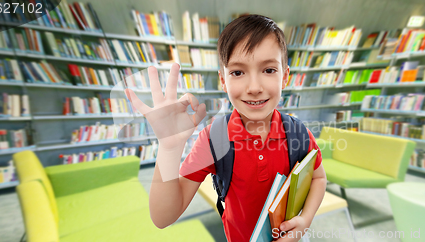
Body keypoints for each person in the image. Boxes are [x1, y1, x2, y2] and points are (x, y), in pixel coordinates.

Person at [125, 14, 327, 242]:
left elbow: (319, 178)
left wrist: (306, 220)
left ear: (285, 77)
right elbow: (163, 217)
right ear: (223, 80)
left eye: (269, 70)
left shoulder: (297, 132)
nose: (254, 87)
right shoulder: (214, 139)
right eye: (238, 72)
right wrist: (169, 148)